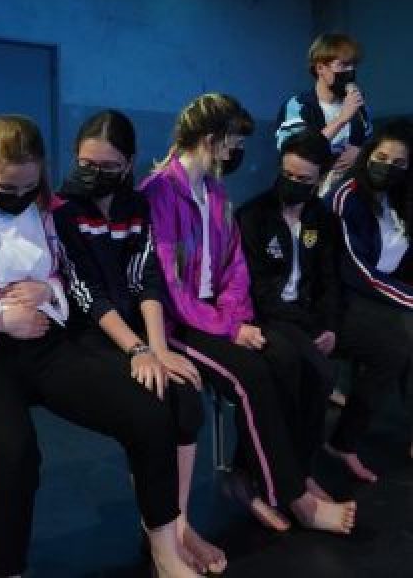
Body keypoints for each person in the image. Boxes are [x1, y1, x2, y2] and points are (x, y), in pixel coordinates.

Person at [0, 113, 207, 577]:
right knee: (15, 453)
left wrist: (46, 291)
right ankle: (6, 571)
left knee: (150, 407)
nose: (18, 197)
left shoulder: (49, 208)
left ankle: (165, 550)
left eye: (28, 187)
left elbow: (65, 277)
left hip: (49, 342)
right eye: (5, 188)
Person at [141, 93, 356, 535]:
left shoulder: (216, 191)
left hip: (219, 317)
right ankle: (294, 497)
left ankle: (264, 479)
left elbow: (235, 267)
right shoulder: (159, 191)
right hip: (179, 322)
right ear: (211, 139)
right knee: (252, 377)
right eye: (235, 143)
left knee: (287, 360)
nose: (237, 152)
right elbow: (168, 285)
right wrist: (229, 328)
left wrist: (237, 320)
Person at [53, 109, 226, 574]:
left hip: (137, 333)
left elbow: (146, 281)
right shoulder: (63, 211)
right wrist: (138, 351)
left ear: (128, 164)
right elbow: (86, 293)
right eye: (86, 163)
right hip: (89, 336)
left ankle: (180, 526)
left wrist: (159, 348)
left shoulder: (137, 207)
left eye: (108, 166)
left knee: (187, 400)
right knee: (151, 406)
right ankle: (160, 539)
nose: (94, 174)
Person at [237, 129, 339, 495]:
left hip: (305, 315)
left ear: (320, 180)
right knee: (308, 372)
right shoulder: (252, 215)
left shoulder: (324, 219)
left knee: (319, 375)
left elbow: (329, 280)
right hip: (267, 316)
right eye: (287, 174)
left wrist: (329, 327)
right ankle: (276, 475)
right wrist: (310, 327)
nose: (293, 183)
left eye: (303, 179)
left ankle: (300, 470)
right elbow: (259, 291)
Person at [325, 119, 413, 480]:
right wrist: (408, 299)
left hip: (384, 295)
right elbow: (355, 270)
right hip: (344, 297)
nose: (388, 167)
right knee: (401, 340)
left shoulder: (401, 199)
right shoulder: (346, 196)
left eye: (399, 163)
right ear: (368, 154)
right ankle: (344, 441)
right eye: (382, 157)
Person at [276, 33, 372, 196]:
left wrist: (361, 153)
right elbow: (298, 152)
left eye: (353, 65)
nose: (350, 71)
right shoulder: (298, 106)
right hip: (307, 195)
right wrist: (342, 119)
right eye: (343, 65)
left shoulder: (358, 106)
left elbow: (370, 146)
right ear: (320, 68)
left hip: (349, 194)